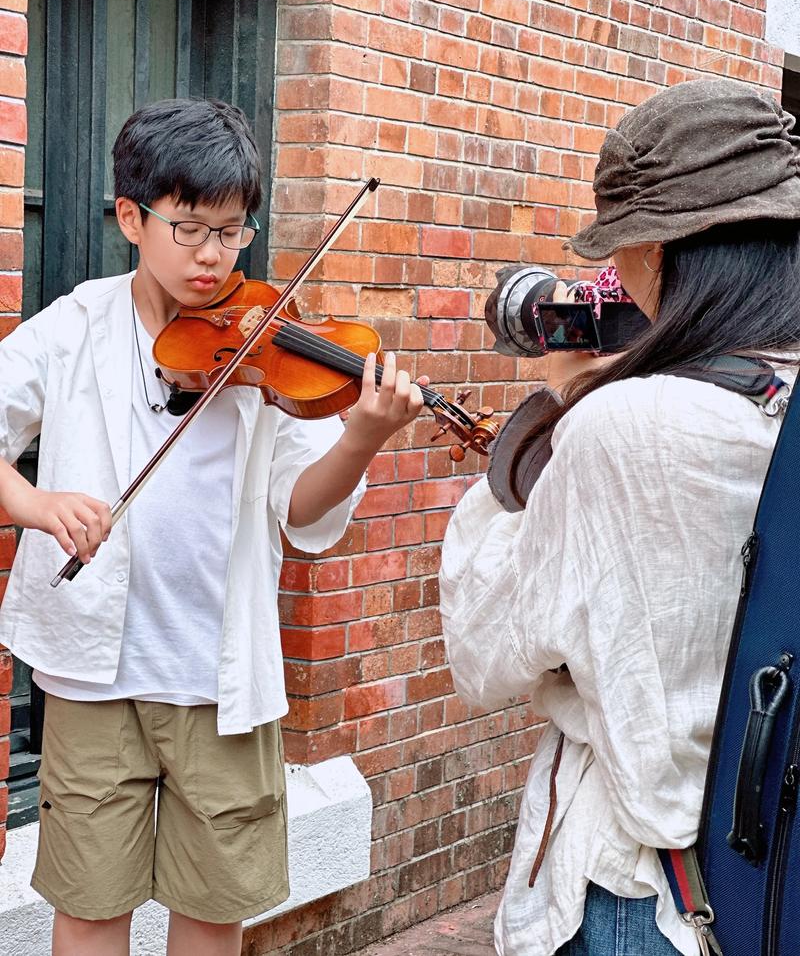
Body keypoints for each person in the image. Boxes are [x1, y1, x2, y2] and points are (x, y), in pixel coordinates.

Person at [0, 98, 425, 956]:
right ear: (131, 216)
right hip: (92, 676)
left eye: (232, 232)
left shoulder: (270, 341)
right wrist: (42, 507)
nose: (213, 256)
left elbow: (302, 513)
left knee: (212, 915)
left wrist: (363, 434)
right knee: (87, 910)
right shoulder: (73, 327)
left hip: (222, 680)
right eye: (190, 228)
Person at [439, 78, 800, 956]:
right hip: (775, 883)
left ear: (663, 248)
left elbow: (484, 647)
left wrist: (549, 421)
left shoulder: (623, 428)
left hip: (649, 893)